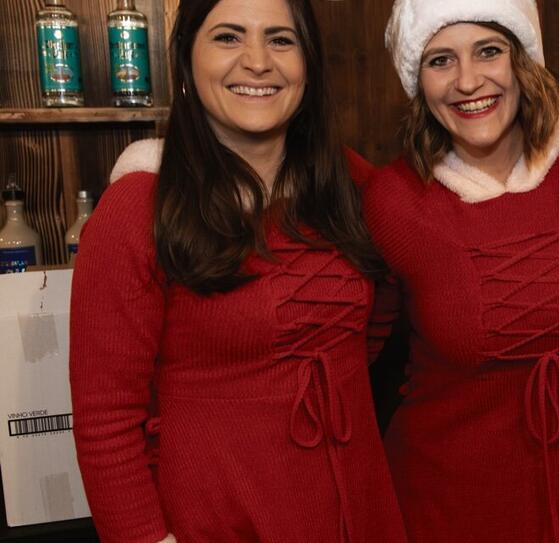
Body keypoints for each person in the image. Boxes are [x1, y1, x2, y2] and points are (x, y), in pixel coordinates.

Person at [69, 1, 406, 542]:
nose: (257, 61)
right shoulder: (137, 210)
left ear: (309, 63)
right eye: (228, 37)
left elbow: (389, 298)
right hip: (221, 523)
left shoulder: (347, 183)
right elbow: (105, 423)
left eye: (280, 39)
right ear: (186, 59)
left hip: (360, 513)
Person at [364, 0, 559, 541]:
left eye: (488, 51)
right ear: (416, 79)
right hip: (449, 505)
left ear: (521, 59)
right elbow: (357, 348)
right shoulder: (393, 199)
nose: (467, 81)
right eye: (440, 60)